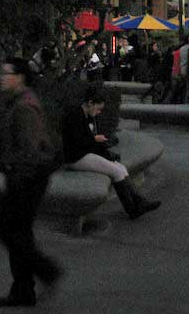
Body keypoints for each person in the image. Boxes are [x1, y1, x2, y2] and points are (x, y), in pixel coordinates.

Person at [0, 57, 61, 308]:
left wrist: (16, 173)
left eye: (6, 73)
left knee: (7, 230)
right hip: (27, 176)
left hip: (27, 178)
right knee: (18, 232)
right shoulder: (20, 101)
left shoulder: (24, 107)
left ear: (19, 77)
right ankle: (23, 289)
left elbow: (30, 149)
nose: (1, 77)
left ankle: (45, 271)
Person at [63, 86, 161, 218]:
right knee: (116, 172)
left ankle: (139, 203)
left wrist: (105, 153)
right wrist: (94, 139)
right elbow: (77, 142)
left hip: (85, 154)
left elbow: (90, 143)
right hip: (76, 157)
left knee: (121, 168)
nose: (99, 112)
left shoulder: (88, 116)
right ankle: (133, 209)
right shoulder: (74, 115)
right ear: (90, 103)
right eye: (98, 109)